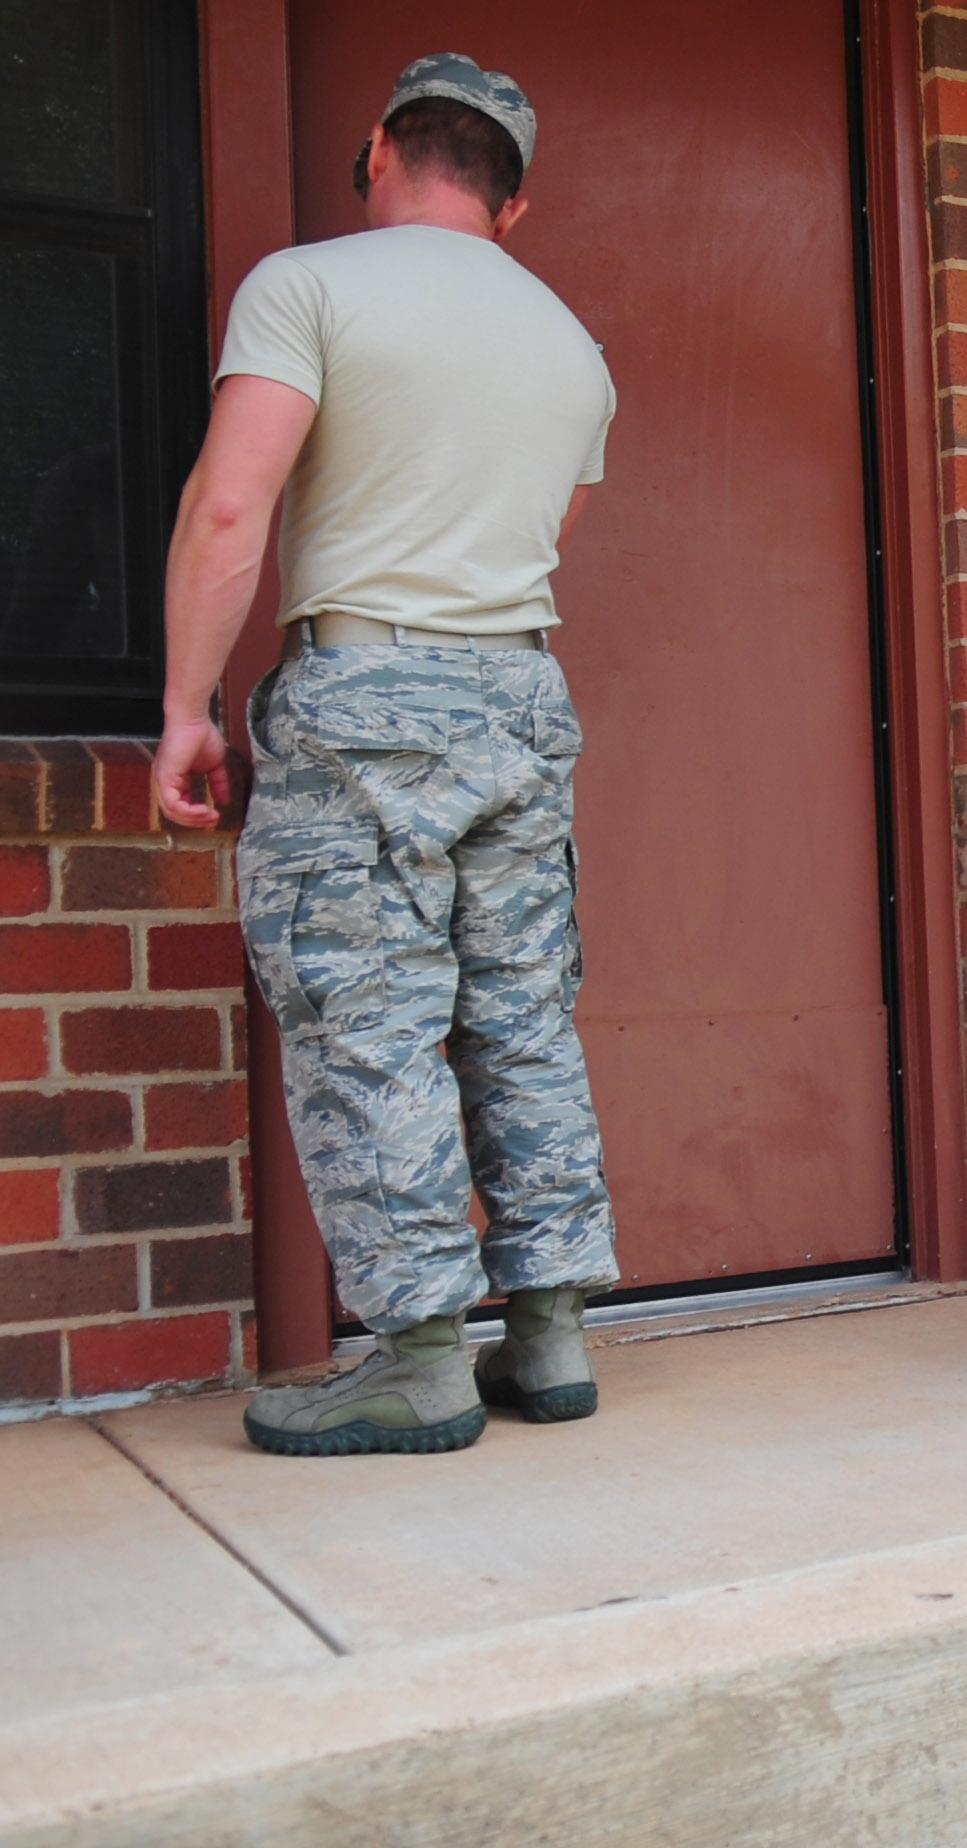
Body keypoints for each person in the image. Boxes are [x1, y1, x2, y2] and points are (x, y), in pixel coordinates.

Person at [153, 55, 621, 1457]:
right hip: (521, 695)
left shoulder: (307, 286)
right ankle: (549, 1334)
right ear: (512, 204)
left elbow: (229, 509)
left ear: (378, 148)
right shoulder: (572, 346)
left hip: (365, 693)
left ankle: (419, 1358)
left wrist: (188, 706)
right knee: (522, 1011)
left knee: (369, 1016)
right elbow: (542, 547)